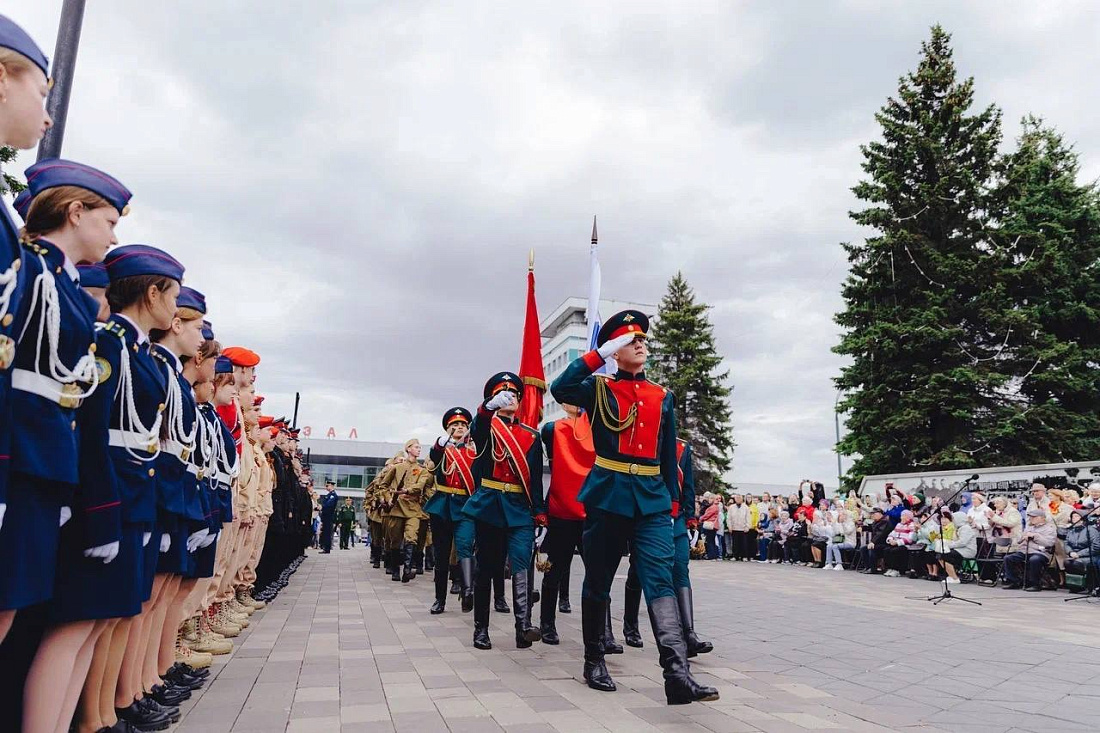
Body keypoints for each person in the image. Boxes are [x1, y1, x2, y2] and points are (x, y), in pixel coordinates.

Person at [551, 310, 717, 704]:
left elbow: (666, 454)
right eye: (630, 340)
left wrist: (673, 505)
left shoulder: (662, 396)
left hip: (652, 501)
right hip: (609, 494)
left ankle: (677, 675)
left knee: (660, 580)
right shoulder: (597, 388)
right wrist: (597, 355)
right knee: (599, 579)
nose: (640, 344)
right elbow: (560, 387)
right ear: (614, 350)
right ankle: (594, 660)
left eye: (643, 338)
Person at [462, 371, 546, 650]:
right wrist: (489, 407)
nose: (510, 398)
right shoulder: (487, 428)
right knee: (487, 567)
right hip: (491, 506)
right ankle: (481, 629)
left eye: (514, 394)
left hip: (520, 509)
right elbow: (477, 427)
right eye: (503, 393)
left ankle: (523, 627)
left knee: (522, 564)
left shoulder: (532, 436)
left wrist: (540, 515)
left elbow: (534, 480)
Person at [538, 402, 593, 643]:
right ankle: (547, 623)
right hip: (563, 508)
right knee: (555, 570)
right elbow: (546, 432)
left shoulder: (598, 429)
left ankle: (603, 630)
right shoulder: (554, 429)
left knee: (597, 573)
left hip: (592, 510)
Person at [425, 407, 478, 615]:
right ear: (447, 429)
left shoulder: (475, 451)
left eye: (463, 425)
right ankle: (440, 599)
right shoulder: (442, 449)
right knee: (442, 554)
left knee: (465, 546)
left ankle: (467, 592)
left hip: (465, 506)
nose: (459, 428)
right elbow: (434, 458)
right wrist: (440, 443)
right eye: (454, 425)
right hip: (443, 505)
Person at [378, 441, 430, 582]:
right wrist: (388, 499)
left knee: (411, 537)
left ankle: (407, 569)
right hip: (396, 508)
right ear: (408, 449)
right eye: (416, 447)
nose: (419, 450)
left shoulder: (422, 470)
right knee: (395, 541)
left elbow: (420, 486)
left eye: (420, 447)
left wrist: (407, 490)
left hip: (413, 509)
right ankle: (395, 569)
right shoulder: (397, 468)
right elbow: (383, 486)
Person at [1003, 508, 1057, 591]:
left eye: (1034, 517)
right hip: (1025, 550)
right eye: (1030, 517)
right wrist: (1023, 538)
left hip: (1040, 552)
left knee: (1034, 560)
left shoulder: (1049, 529)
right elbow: (1019, 541)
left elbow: (1049, 543)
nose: (1031, 519)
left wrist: (1035, 536)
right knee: (1008, 558)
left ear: (1042, 518)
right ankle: (1014, 581)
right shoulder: (1028, 527)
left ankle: (1035, 584)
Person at [1063, 511, 1100, 592]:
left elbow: (1096, 547)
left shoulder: (1091, 530)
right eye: (1073, 517)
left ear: (1082, 519)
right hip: (1074, 555)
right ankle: (1075, 585)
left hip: (1089, 556)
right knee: (1067, 562)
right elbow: (1066, 543)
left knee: (1077, 563)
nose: (1074, 518)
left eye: (1076, 516)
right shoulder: (1071, 531)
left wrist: (1079, 554)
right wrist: (1070, 552)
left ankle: (1086, 584)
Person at [883, 510, 917, 577]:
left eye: (903, 516)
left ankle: (896, 570)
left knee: (895, 551)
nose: (901, 517)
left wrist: (897, 542)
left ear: (908, 517)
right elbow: (892, 534)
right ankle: (890, 568)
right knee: (886, 550)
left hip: (905, 545)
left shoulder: (912, 525)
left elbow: (910, 539)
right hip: (895, 543)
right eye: (902, 516)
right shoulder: (899, 524)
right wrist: (890, 540)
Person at [859, 507, 891, 574]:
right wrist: (863, 528)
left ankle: (873, 568)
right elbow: (871, 528)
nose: (872, 515)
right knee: (863, 549)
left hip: (884, 544)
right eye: (872, 514)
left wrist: (873, 542)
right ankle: (868, 567)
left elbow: (880, 533)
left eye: (874, 513)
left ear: (880, 514)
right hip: (877, 543)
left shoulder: (884, 521)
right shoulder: (876, 522)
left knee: (871, 549)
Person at [726, 494, 750, 561]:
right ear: (735, 499)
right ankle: (735, 556)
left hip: (743, 528)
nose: (738, 499)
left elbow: (748, 518)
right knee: (735, 543)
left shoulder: (746, 507)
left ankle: (744, 556)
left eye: (740, 498)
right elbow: (728, 518)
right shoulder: (731, 507)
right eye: (737, 498)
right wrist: (729, 526)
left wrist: (747, 527)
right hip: (734, 528)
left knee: (744, 543)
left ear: (742, 499)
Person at [319, 480, 338, 554]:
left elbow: (329, 505)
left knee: (327, 532)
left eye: (328, 486)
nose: (326, 487)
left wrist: (322, 507)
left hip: (329, 516)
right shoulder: (329, 494)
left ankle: (327, 548)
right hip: (326, 516)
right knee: (325, 532)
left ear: (332, 486)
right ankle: (325, 547)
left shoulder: (333, 495)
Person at [699, 495, 720, 560]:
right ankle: (713, 555)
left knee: (709, 541)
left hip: (710, 525)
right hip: (713, 525)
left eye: (711, 498)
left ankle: (711, 555)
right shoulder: (715, 506)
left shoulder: (713, 507)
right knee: (712, 540)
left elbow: (707, 515)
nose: (709, 500)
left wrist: (701, 518)